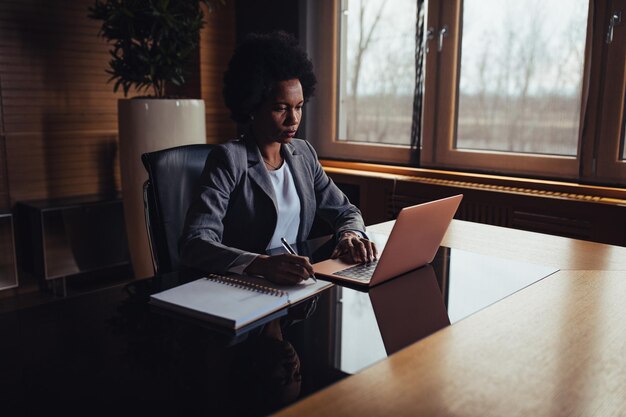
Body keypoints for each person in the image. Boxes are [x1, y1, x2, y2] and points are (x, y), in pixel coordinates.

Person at [179, 31, 376, 284]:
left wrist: (350, 234)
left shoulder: (303, 153)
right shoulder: (228, 159)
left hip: (295, 286)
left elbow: (345, 211)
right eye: (280, 108)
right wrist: (259, 264)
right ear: (252, 106)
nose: (293, 119)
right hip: (242, 287)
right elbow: (195, 242)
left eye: (299, 107)